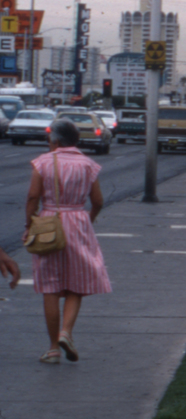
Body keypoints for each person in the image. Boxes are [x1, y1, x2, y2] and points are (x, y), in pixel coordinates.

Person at [23, 118, 111, 363]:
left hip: (49, 221)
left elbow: (33, 197)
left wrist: (29, 225)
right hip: (78, 221)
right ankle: (66, 332)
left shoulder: (42, 162)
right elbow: (98, 201)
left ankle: (52, 349)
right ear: (76, 140)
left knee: (50, 286)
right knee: (77, 282)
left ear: (55, 140)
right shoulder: (87, 164)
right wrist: (86, 220)